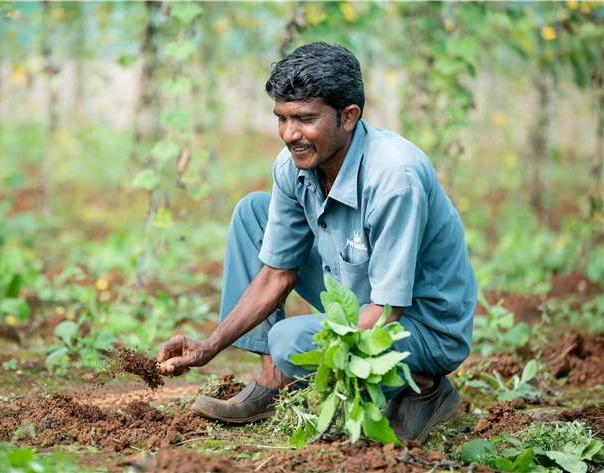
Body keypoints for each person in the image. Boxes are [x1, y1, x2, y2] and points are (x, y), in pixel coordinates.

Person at [157, 42, 477, 443]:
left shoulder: (394, 178)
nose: (291, 134)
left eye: (305, 119)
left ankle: (426, 388)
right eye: (282, 118)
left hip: (419, 324)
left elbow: (388, 310)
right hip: (357, 293)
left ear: (348, 116)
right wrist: (207, 346)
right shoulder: (294, 164)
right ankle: (273, 383)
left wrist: (334, 387)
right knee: (252, 212)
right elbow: (276, 273)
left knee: (290, 340)